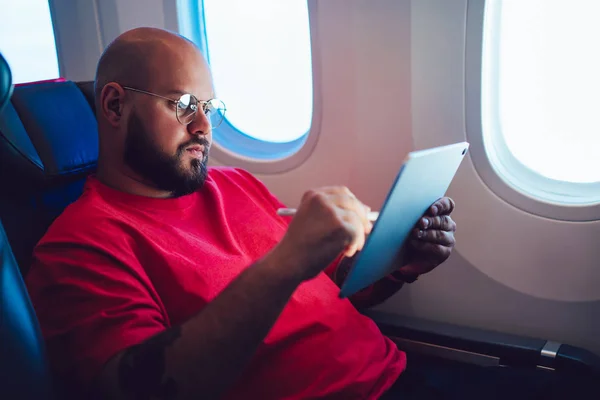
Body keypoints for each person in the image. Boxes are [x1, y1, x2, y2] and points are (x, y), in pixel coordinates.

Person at [25, 27, 459, 399]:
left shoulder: (233, 183)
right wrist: (285, 265)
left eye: (209, 108)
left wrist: (399, 263)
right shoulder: (80, 246)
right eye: (183, 105)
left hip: (394, 374)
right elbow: (138, 389)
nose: (203, 127)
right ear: (115, 106)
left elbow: (333, 287)